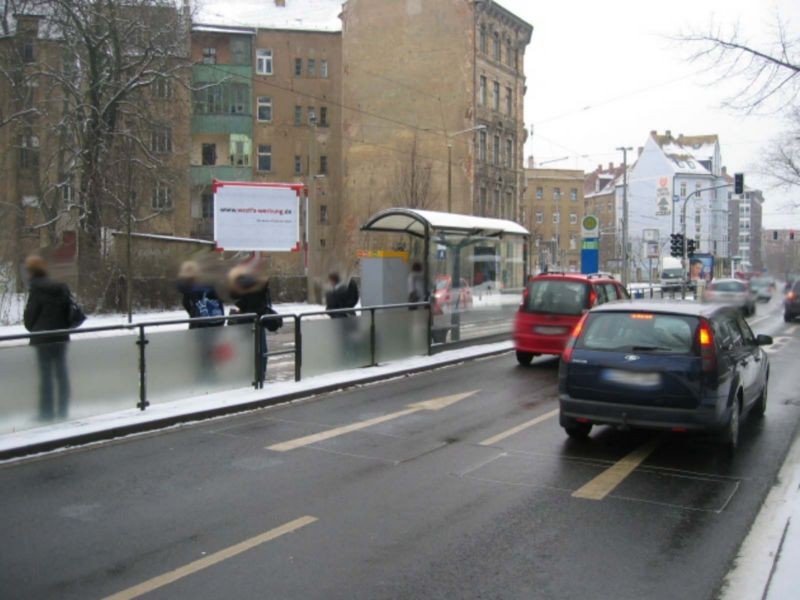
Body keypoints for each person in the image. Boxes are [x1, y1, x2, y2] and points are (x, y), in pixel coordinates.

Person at [23, 255, 72, 421]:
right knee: (61, 374)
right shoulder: (60, 287)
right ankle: (63, 411)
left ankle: (46, 413)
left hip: (43, 339)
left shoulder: (36, 289)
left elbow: (29, 318)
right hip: (60, 337)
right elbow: (69, 313)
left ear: (30, 271)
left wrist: (37, 329)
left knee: (46, 377)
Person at [177, 261, 225, 380]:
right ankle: (212, 375)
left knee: (200, 351)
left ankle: (203, 377)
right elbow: (219, 302)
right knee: (210, 350)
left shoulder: (191, 287)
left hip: (200, 323)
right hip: (214, 322)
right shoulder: (211, 285)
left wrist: (193, 314)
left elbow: (186, 302)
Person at [228, 265, 273, 380]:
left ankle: (253, 375)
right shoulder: (252, 285)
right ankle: (259, 375)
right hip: (256, 319)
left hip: (248, 319)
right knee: (260, 349)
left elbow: (236, 297)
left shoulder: (239, 286)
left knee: (250, 350)